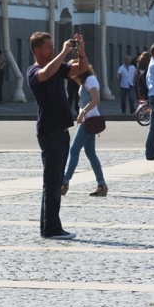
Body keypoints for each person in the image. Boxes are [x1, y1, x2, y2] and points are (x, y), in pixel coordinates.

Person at [26, 31, 89, 240]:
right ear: (37, 50)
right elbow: (45, 74)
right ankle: (51, 229)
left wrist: (81, 52)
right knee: (52, 183)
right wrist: (63, 52)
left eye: (54, 46)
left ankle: (50, 227)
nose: (52, 49)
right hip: (49, 132)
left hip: (61, 132)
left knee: (54, 182)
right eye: (48, 47)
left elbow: (82, 69)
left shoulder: (56, 67)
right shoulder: (33, 71)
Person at [63, 63, 108, 196]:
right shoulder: (86, 81)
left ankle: (64, 182)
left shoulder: (90, 79)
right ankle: (101, 184)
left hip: (89, 119)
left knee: (74, 149)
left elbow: (96, 99)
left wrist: (82, 113)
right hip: (89, 119)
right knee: (90, 153)